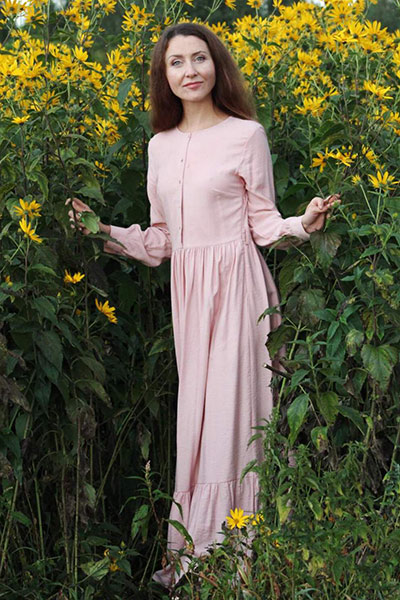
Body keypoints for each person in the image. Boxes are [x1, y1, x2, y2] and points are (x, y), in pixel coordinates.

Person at [67, 22, 340, 589]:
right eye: (176, 62)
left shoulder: (246, 135)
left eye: (199, 58)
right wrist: (103, 231)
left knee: (235, 417)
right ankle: (202, 556)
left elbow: (263, 225)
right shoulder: (159, 147)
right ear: (163, 75)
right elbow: (163, 239)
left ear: (217, 65)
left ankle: (241, 560)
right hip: (190, 298)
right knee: (199, 418)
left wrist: (304, 223)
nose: (189, 70)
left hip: (238, 289)